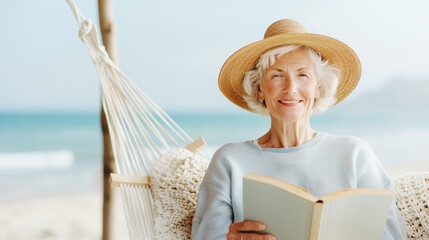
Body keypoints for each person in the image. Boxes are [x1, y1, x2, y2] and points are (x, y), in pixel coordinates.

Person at [191, 19, 407, 240]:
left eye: (303, 75)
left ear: (317, 88)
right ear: (260, 90)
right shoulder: (229, 161)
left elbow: (392, 234)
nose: (290, 88)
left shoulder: (354, 154)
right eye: (276, 75)